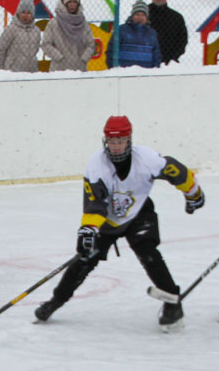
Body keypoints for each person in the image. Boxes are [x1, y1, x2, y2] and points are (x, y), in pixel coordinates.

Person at [34, 115, 205, 330]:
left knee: (148, 251)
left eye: (120, 141)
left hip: (139, 213)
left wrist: (193, 194)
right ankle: (55, 301)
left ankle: (172, 302)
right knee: (84, 259)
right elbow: (94, 204)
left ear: (129, 140)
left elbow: (177, 172)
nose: (115, 147)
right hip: (107, 220)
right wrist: (88, 230)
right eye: (112, 142)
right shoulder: (96, 166)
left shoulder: (148, 159)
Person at [40, 0, 95, 72]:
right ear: (64, 3)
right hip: (59, 69)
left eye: (75, 2)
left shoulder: (84, 24)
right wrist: (59, 57)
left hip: (79, 70)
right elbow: (46, 44)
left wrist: (83, 59)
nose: (72, 5)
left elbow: (91, 44)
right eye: (69, 2)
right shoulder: (54, 23)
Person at [105, 0, 162, 69]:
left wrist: (155, 69)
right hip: (124, 72)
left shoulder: (152, 33)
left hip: (146, 73)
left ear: (147, 17)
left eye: (143, 15)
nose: (140, 17)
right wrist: (114, 68)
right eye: (137, 14)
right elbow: (111, 51)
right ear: (132, 16)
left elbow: (156, 54)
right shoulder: (121, 30)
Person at [0, 0, 41, 73]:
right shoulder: (11, 29)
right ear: (18, 13)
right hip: (13, 71)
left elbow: (35, 49)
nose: (25, 15)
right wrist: (4, 69)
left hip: (31, 70)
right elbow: (0, 50)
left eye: (29, 13)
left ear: (32, 15)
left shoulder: (36, 31)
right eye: (23, 12)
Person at [145, 0, 188, 65]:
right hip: (145, 59)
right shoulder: (143, 14)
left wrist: (173, 58)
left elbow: (182, 40)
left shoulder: (176, 17)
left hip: (168, 61)